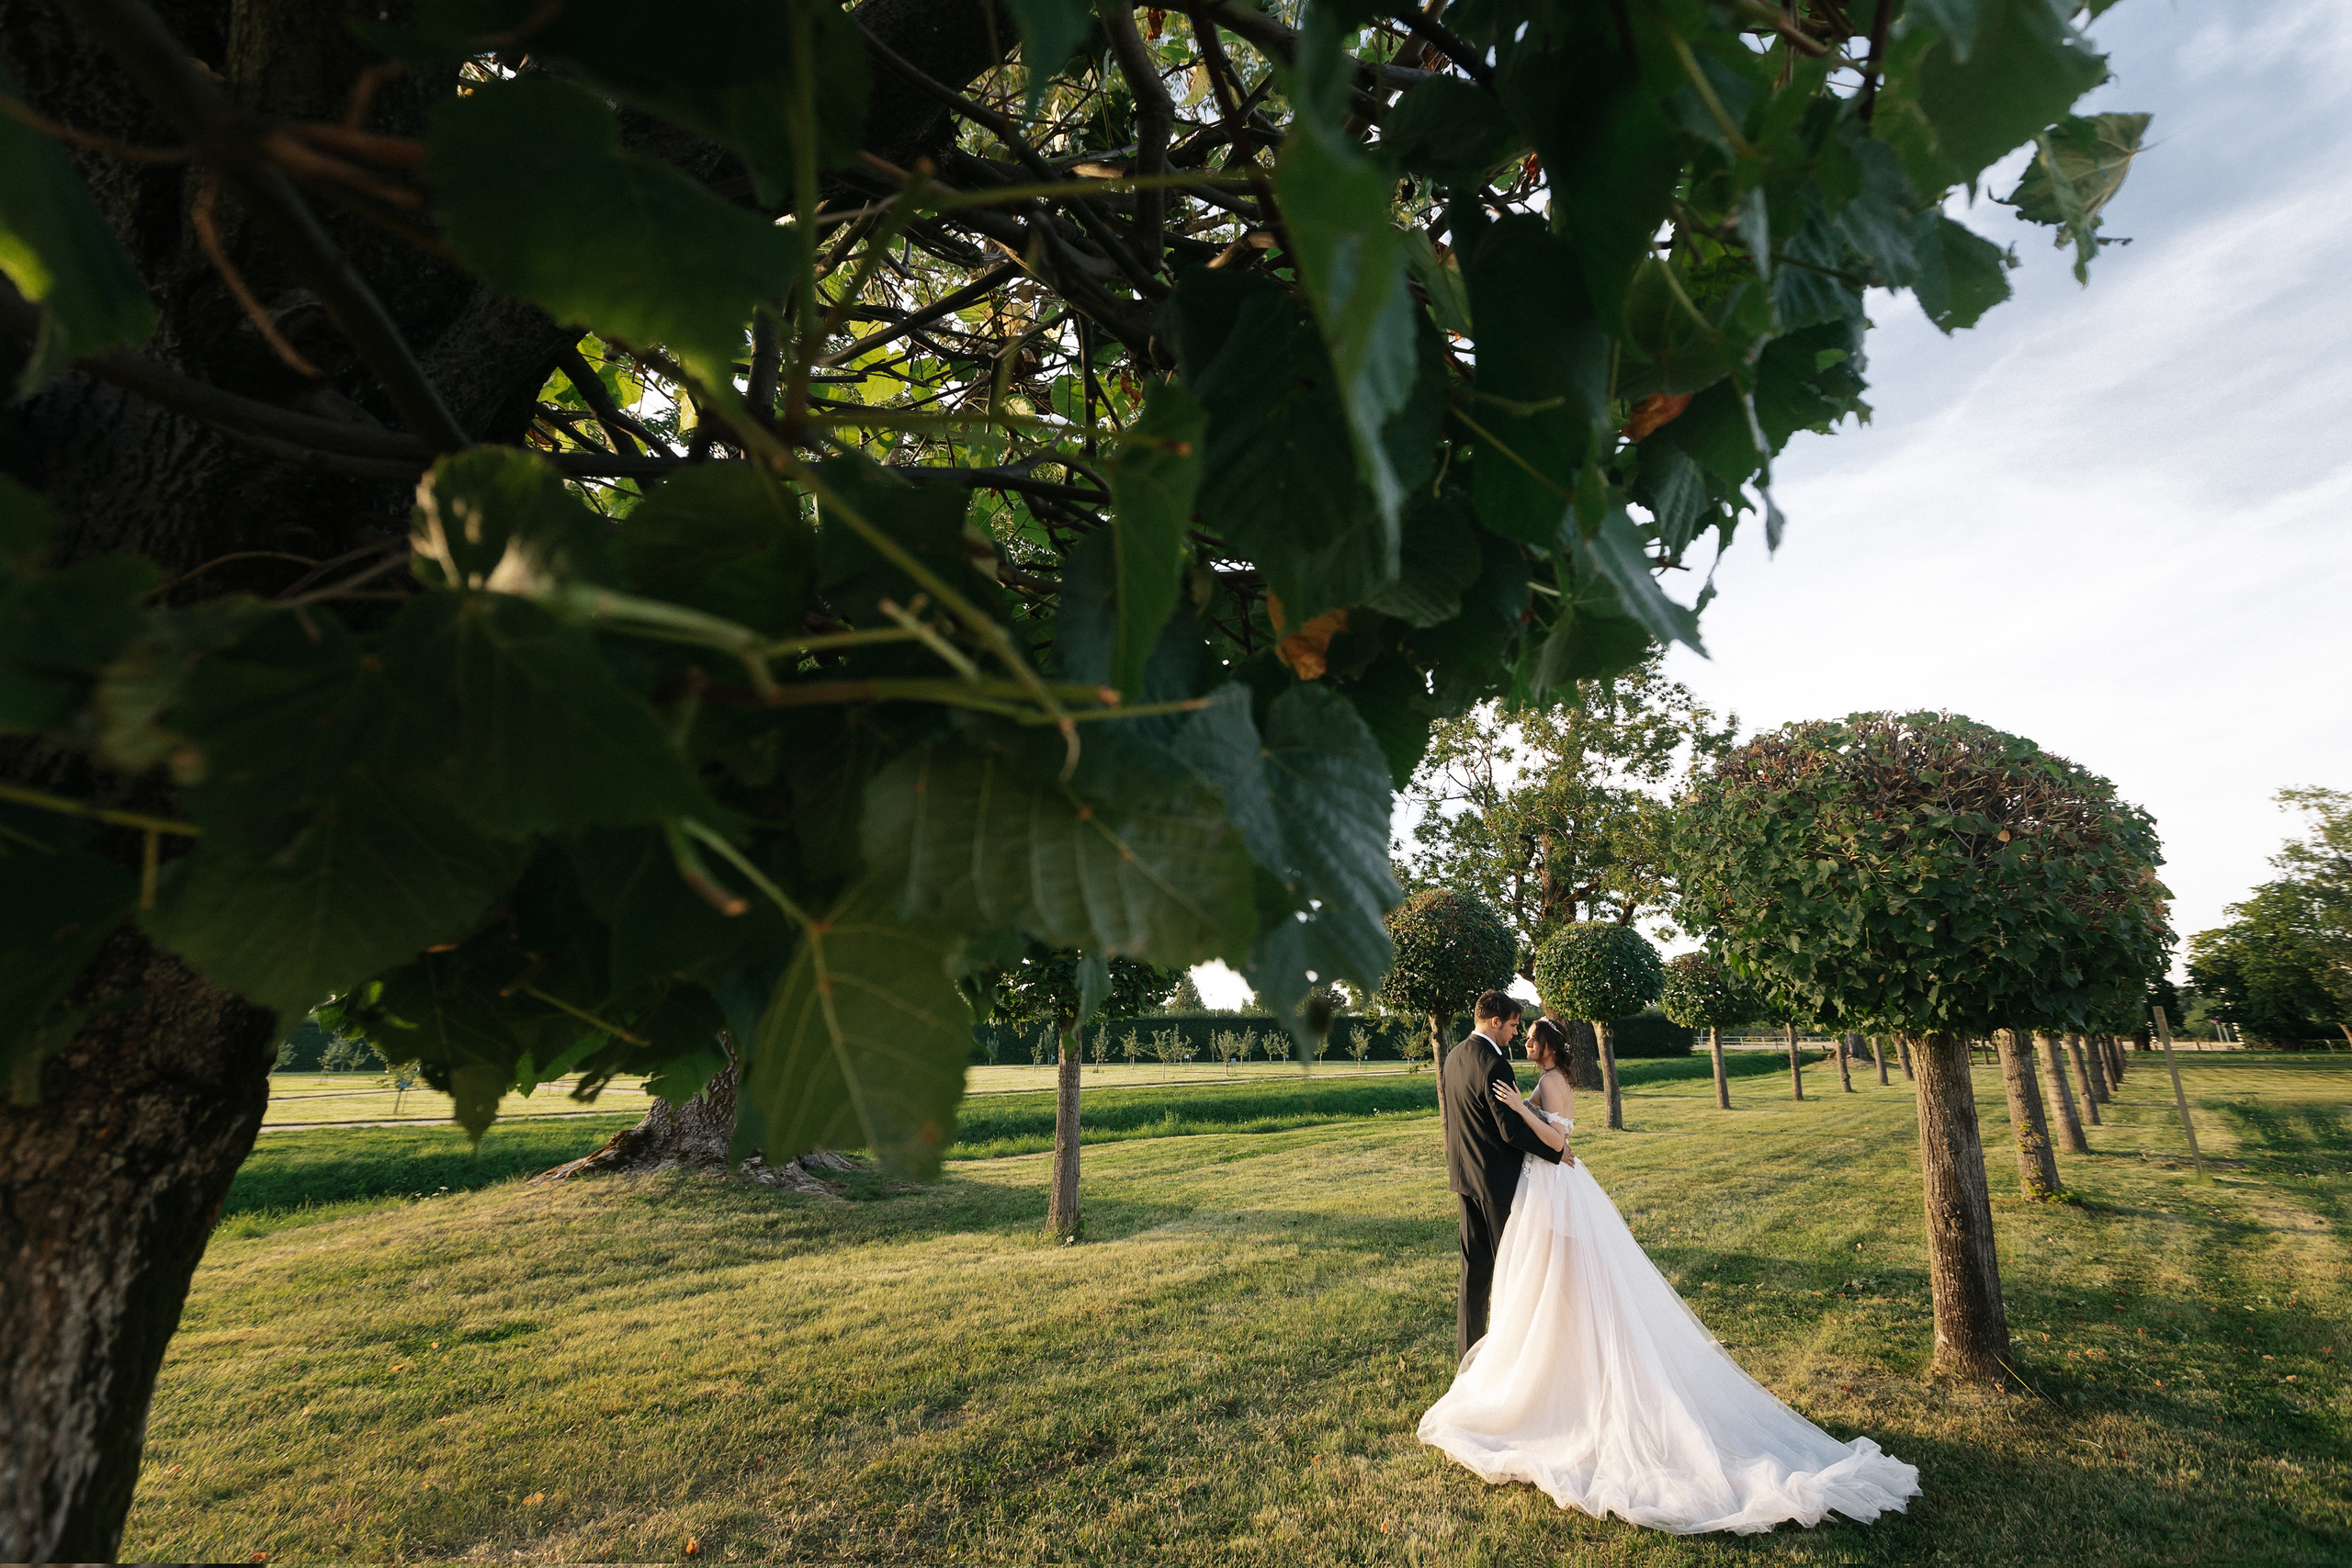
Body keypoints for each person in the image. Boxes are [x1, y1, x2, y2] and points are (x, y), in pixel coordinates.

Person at [1419, 1015, 1921, 1535]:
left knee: (1549, 1281)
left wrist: (1527, 1116)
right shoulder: (1545, 1077)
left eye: (1531, 1036)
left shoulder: (1548, 1083)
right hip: (1553, 1183)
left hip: (1552, 1180)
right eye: (1519, 1033)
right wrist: (1531, 1119)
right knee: (1551, 1282)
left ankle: (1549, 1365)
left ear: (1547, 1047)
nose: (1524, 1041)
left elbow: (1554, 1133)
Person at [1441, 990, 1563, 1360]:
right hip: (1496, 1184)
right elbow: (1510, 1130)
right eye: (1512, 1025)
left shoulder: (1454, 1057)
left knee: (1474, 1272)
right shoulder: (1495, 1065)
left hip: (1464, 1177)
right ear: (1496, 1021)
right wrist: (1555, 1149)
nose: (1514, 1033)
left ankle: (1469, 1358)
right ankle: (1509, 1361)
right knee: (1512, 1272)